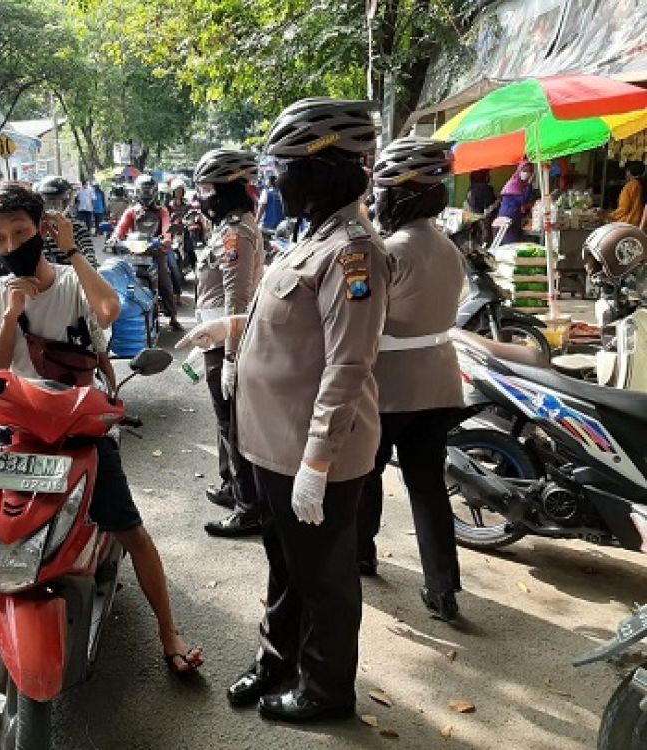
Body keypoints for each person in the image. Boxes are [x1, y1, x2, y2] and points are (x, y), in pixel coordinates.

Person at [0, 181, 203, 673]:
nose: (11, 244)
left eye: (21, 231)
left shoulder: (72, 281)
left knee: (130, 528)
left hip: (78, 430)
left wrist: (73, 252)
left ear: (42, 228)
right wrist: (11, 316)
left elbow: (109, 311)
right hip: (15, 431)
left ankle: (169, 630)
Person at [180, 98, 388, 723]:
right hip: (272, 445)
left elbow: (347, 367)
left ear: (325, 170)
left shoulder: (355, 251)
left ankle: (325, 689)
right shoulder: (313, 239)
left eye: (286, 168)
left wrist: (317, 464)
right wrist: (229, 325)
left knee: (324, 579)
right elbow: (294, 328)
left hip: (310, 452)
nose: (272, 183)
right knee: (285, 563)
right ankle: (278, 658)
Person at [356, 137, 466, 622]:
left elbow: (362, 321)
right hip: (440, 386)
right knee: (428, 486)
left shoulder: (389, 251)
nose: (375, 201)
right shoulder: (450, 248)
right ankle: (443, 589)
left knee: (365, 475)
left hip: (388, 389)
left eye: (380, 192)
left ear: (399, 195)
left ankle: (361, 553)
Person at [187, 149, 265, 538]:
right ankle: (231, 486)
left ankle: (248, 507)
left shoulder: (235, 232)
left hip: (226, 342)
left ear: (225, 192)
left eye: (207, 190)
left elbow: (237, 300)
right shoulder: (230, 227)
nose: (202, 198)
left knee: (233, 425)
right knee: (224, 421)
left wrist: (232, 356)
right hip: (214, 337)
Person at [111, 174, 183, 331]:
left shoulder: (161, 211)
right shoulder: (132, 212)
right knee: (119, 279)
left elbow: (166, 227)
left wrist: (166, 239)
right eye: (143, 192)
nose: (146, 195)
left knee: (165, 279)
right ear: (137, 192)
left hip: (156, 252)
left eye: (149, 192)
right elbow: (120, 228)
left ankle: (173, 316)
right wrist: (114, 238)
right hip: (133, 254)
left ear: (155, 192)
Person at [35, 176, 96, 265]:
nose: (53, 208)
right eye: (48, 202)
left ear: (67, 202)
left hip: (74, 276)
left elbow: (91, 260)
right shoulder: (35, 228)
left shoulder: (77, 227)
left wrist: (70, 249)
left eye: (57, 202)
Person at [497, 159, 536, 244]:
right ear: (519, 170)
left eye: (529, 171)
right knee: (511, 246)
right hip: (507, 219)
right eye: (524, 170)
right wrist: (529, 184)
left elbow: (525, 201)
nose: (527, 173)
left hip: (515, 219)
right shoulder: (514, 184)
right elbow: (523, 199)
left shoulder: (522, 185)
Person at [166, 178, 197, 269]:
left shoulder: (187, 205)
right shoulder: (169, 205)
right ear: (173, 192)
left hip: (184, 230)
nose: (178, 193)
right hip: (172, 231)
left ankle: (195, 269)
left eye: (180, 190)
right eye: (177, 191)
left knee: (190, 249)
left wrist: (189, 222)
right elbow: (165, 216)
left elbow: (192, 215)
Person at [608, 160, 646, 228]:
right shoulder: (643, 184)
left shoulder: (630, 186)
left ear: (629, 172)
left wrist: (609, 215)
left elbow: (623, 209)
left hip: (628, 223)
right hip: (641, 224)